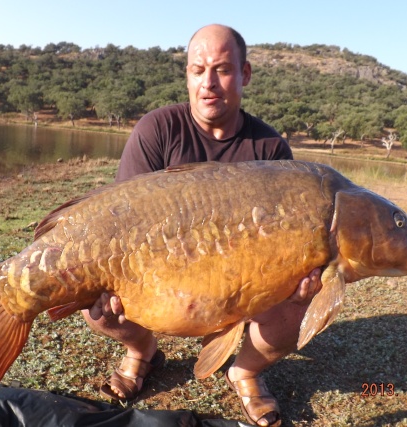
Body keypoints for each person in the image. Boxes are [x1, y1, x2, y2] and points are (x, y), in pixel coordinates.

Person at [82, 24, 322, 427]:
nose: (208, 83)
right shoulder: (157, 130)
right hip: (164, 282)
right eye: (198, 70)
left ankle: (244, 371)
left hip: (242, 288)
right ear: (187, 75)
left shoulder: (270, 150)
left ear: (244, 75)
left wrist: (296, 284)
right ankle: (142, 351)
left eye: (223, 70)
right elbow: (122, 224)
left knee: (302, 300)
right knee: (97, 309)